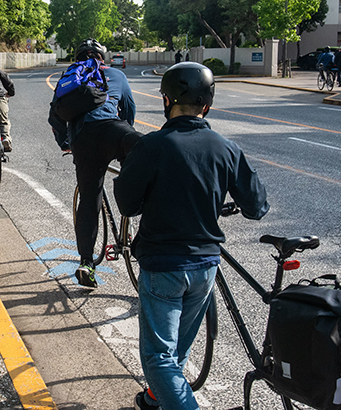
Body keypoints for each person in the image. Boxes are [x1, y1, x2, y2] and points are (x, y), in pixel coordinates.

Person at [113, 62, 269, 410]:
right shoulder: (226, 147)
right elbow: (256, 205)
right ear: (207, 105)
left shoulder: (152, 145)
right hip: (205, 267)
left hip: (163, 265)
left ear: (167, 99)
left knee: (158, 358)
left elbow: (127, 204)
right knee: (178, 350)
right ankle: (157, 399)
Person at [48, 38, 142, 288]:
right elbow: (129, 109)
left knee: (89, 201)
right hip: (115, 131)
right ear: (104, 58)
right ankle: (138, 218)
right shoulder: (116, 75)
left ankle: (86, 263)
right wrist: (125, 140)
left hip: (83, 140)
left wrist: (65, 144)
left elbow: (55, 116)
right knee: (144, 164)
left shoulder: (70, 77)